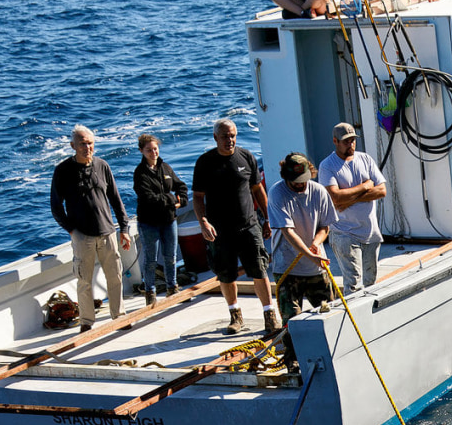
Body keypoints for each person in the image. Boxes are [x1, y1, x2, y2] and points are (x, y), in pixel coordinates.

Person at [192, 119, 279, 336]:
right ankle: (234, 315)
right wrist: (203, 222)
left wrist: (268, 219)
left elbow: (258, 190)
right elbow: (197, 197)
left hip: (249, 225)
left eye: (232, 136)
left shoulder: (246, 157)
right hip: (219, 231)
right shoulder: (205, 162)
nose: (229, 140)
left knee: (259, 269)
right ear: (215, 138)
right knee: (226, 275)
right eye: (225, 136)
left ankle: (269, 315)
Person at [49, 125, 131, 332]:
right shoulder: (63, 171)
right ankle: (86, 322)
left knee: (115, 277)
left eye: (90, 143)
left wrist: (124, 228)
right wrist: (72, 231)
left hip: (108, 232)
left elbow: (115, 198)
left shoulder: (102, 165)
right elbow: (56, 206)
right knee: (84, 281)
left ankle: (119, 316)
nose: (87, 147)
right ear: (73, 146)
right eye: (83, 143)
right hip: (82, 236)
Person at [267, 153, 338, 358]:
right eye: (295, 182)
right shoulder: (277, 193)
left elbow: (325, 226)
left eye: (304, 180)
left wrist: (316, 244)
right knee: (292, 323)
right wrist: (310, 254)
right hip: (287, 268)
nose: (300, 185)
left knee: (330, 314)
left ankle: (332, 355)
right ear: (285, 177)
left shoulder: (318, 192)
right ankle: (294, 360)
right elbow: (288, 232)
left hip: (317, 267)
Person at [317, 122, 387, 293]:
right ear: (335, 141)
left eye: (353, 140)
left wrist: (348, 200)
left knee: (371, 282)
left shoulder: (365, 159)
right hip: (344, 233)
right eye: (346, 141)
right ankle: (353, 318)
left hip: (370, 232)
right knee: (353, 284)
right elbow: (335, 197)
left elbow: (382, 190)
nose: (351, 144)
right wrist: (365, 186)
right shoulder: (327, 166)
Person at [131, 133, 187, 305]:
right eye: (149, 150)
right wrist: (172, 200)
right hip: (149, 224)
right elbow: (149, 198)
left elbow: (180, 186)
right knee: (151, 260)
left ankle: (172, 287)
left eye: (155, 149)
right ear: (141, 151)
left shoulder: (166, 167)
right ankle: (150, 292)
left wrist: (182, 199)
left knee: (171, 256)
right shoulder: (140, 174)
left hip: (169, 220)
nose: (153, 152)